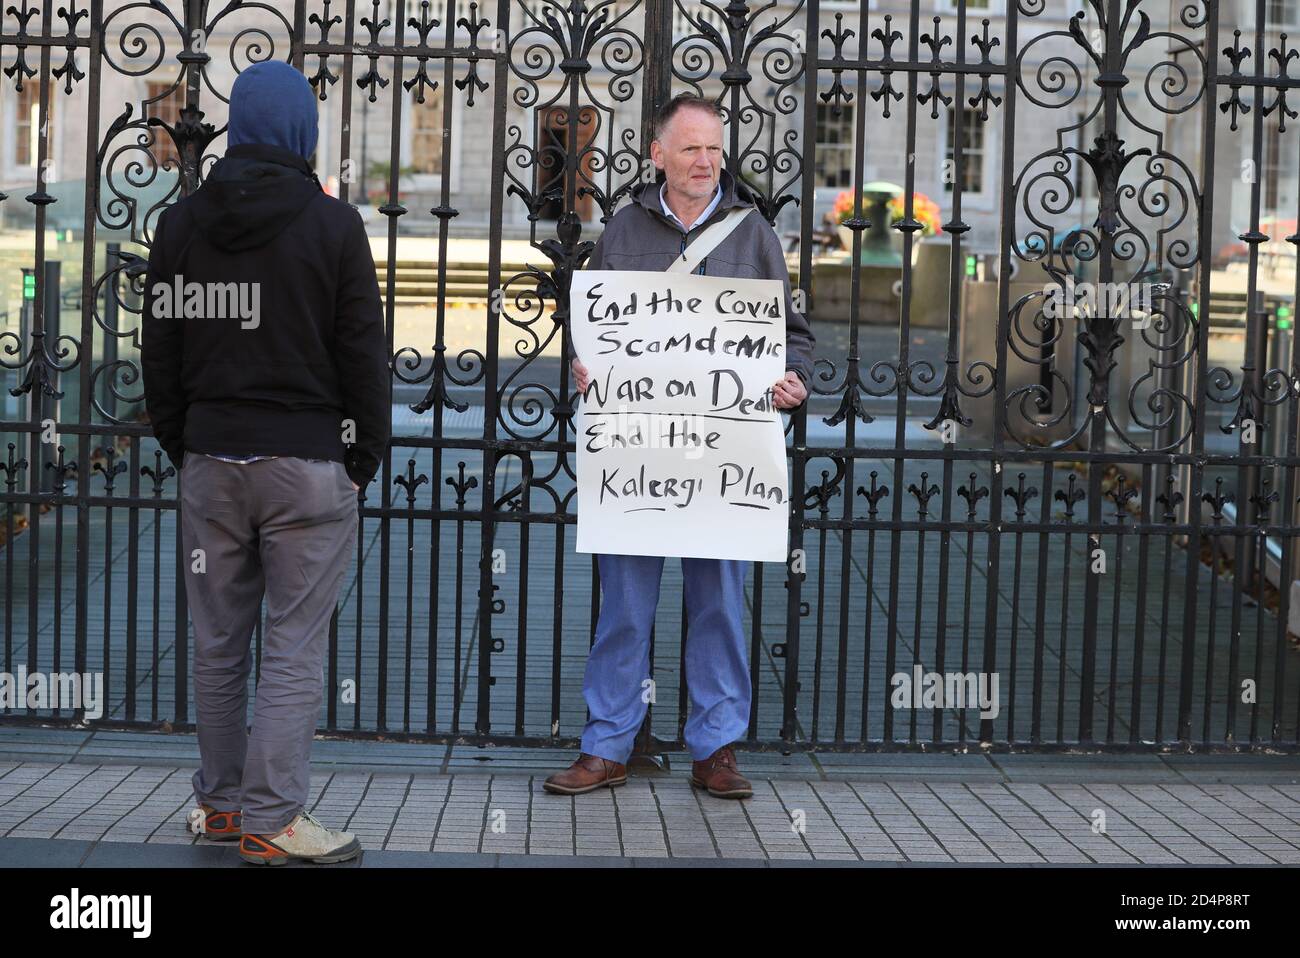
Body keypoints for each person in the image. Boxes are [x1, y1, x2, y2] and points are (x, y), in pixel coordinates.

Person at [141, 60, 390, 864]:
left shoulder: (182, 225)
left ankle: (219, 806)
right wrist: (364, 457)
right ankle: (272, 818)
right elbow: (362, 355)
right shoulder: (333, 225)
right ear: (303, 131)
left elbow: (162, 349)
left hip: (212, 460)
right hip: (307, 466)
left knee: (217, 641)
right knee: (291, 644)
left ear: (235, 125)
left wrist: (184, 440)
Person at [544, 93, 815, 800]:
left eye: (714, 149)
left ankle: (716, 748)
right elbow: (594, 328)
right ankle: (606, 745)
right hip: (639, 455)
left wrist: (794, 380)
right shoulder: (623, 230)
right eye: (691, 148)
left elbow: (795, 336)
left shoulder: (753, 233)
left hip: (723, 459)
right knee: (624, 607)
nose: (705, 161)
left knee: (720, 604)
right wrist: (584, 363)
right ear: (657, 153)